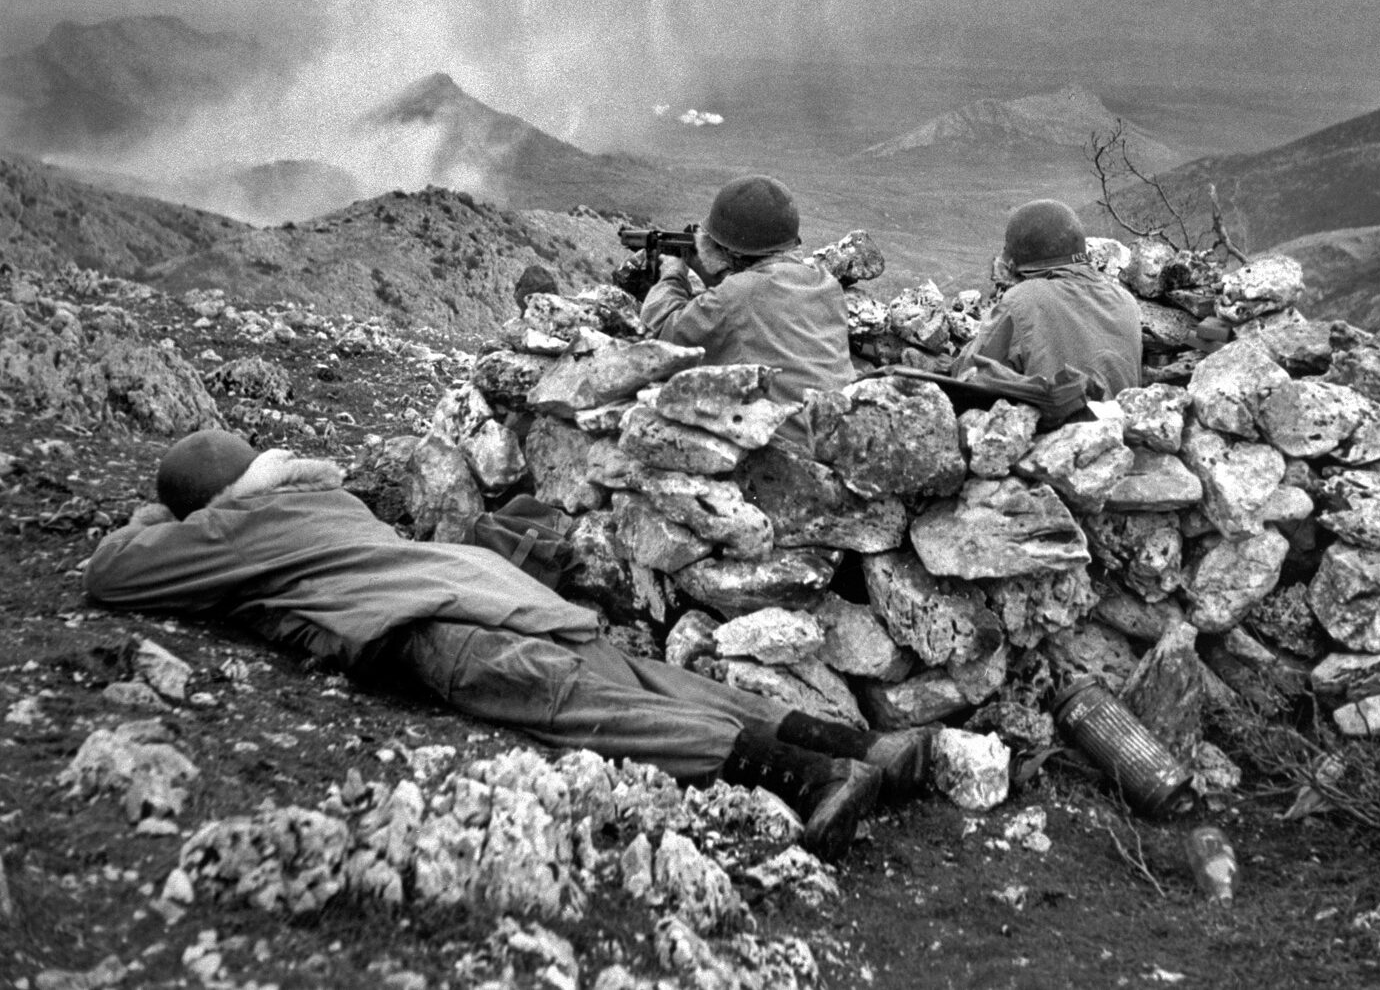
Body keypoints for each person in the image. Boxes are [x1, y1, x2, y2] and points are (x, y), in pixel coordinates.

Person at [85, 430, 929, 861]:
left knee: (581, 708)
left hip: (436, 624)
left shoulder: (229, 526)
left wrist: (162, 518)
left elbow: (114, 573)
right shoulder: (327, 502)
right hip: (500, 587)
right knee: (644, 677)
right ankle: (865, 747)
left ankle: (810, 778)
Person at [639, 175, 855, 444]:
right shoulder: (825, 283)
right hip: (843, 440)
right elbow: (760, 303)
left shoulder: (736, 296)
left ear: (724, 249)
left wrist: (673, 274)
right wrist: (717, 275)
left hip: (791, 451)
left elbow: (661, 333)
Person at [955, 199, 1142, 397]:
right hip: (1123, 425)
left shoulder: (1022, 299)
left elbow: (970, 375)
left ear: (1015, 266)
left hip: (1061, 424)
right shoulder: (1126, 302)